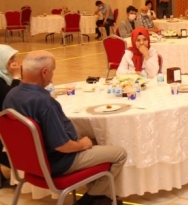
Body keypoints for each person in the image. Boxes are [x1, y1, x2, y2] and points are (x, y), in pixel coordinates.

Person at [3, 51, 127, 205]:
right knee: (120, 154)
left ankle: (98, 197)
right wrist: (82, 145)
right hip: (58, 162)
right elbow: (61, 145)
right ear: (44, 72)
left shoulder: (11, 95)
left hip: (28, 162)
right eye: (52, 71)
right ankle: (93, 198)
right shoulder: (45, 103)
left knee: (91, 136)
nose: (52, 76)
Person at [0, 45, 21, 168]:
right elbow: (12, 99)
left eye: (14, 58)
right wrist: (16, 77)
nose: (14, 62)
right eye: (10, 59)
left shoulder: (5, 76)